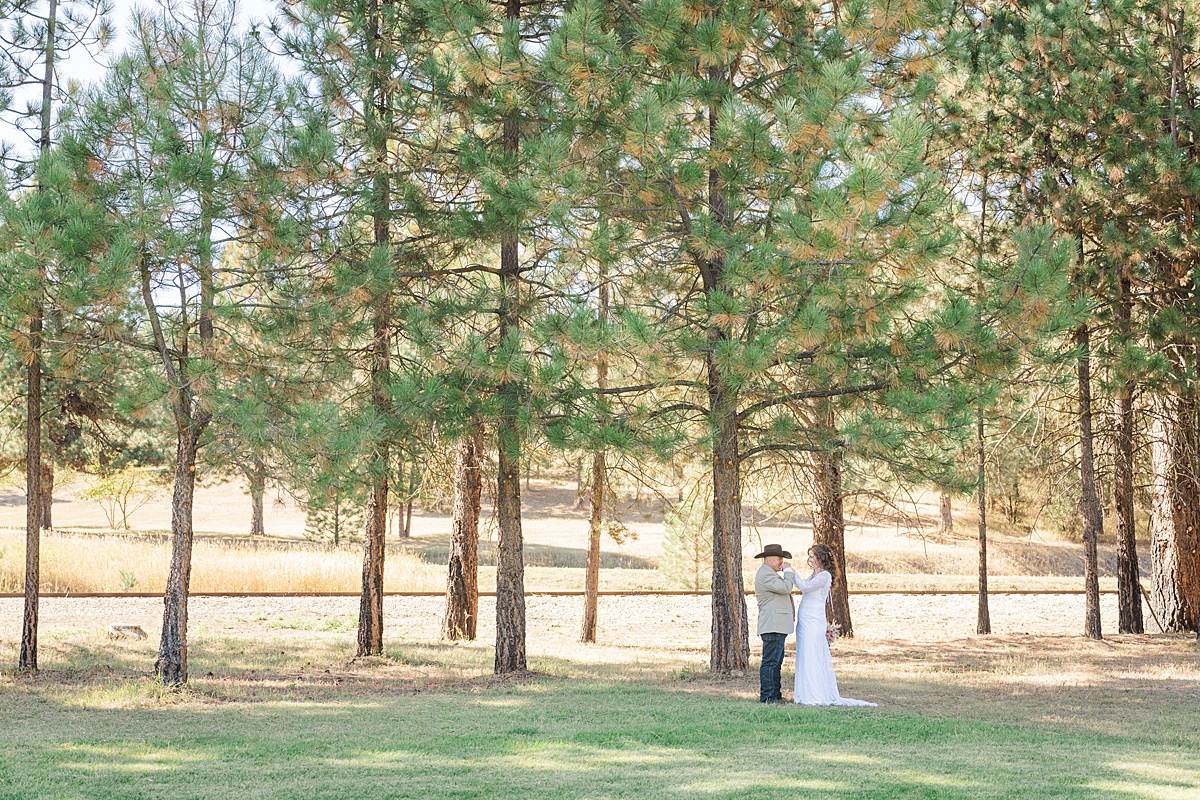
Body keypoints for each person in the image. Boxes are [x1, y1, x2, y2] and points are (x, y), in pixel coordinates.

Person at [791, 544, 876, 707]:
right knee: (804, 653)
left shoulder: (824, 576)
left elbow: (805, 588)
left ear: (820, 558)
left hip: (814, 619)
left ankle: (815, 694)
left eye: (812, 557)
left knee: (812, 653)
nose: (809, 560)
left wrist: (792, 572)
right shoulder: (814, 574)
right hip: (805, 617)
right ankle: (804, 692)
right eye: (809, 556)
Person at [753, 543, 796, 703]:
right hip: (773, 624)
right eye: (779, 559)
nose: (782, 562)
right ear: (769, 559)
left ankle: (775, 695)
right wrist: (789, 573)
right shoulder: (766, 575)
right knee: (771, 662)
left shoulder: (768, 573)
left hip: (776, 624)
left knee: (775, 662)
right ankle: (768, 697)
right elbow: (786, 588)